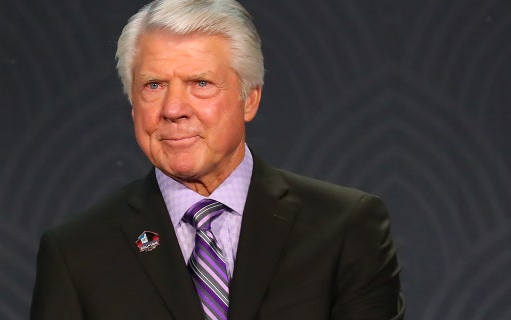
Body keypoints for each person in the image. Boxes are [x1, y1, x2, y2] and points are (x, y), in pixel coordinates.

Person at [30, 0, 405, 319]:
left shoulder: (344, 228)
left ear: (250, 99)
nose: (174, 109)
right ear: (132, 105)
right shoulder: (77, 254)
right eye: (153, 85)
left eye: (200, 83)